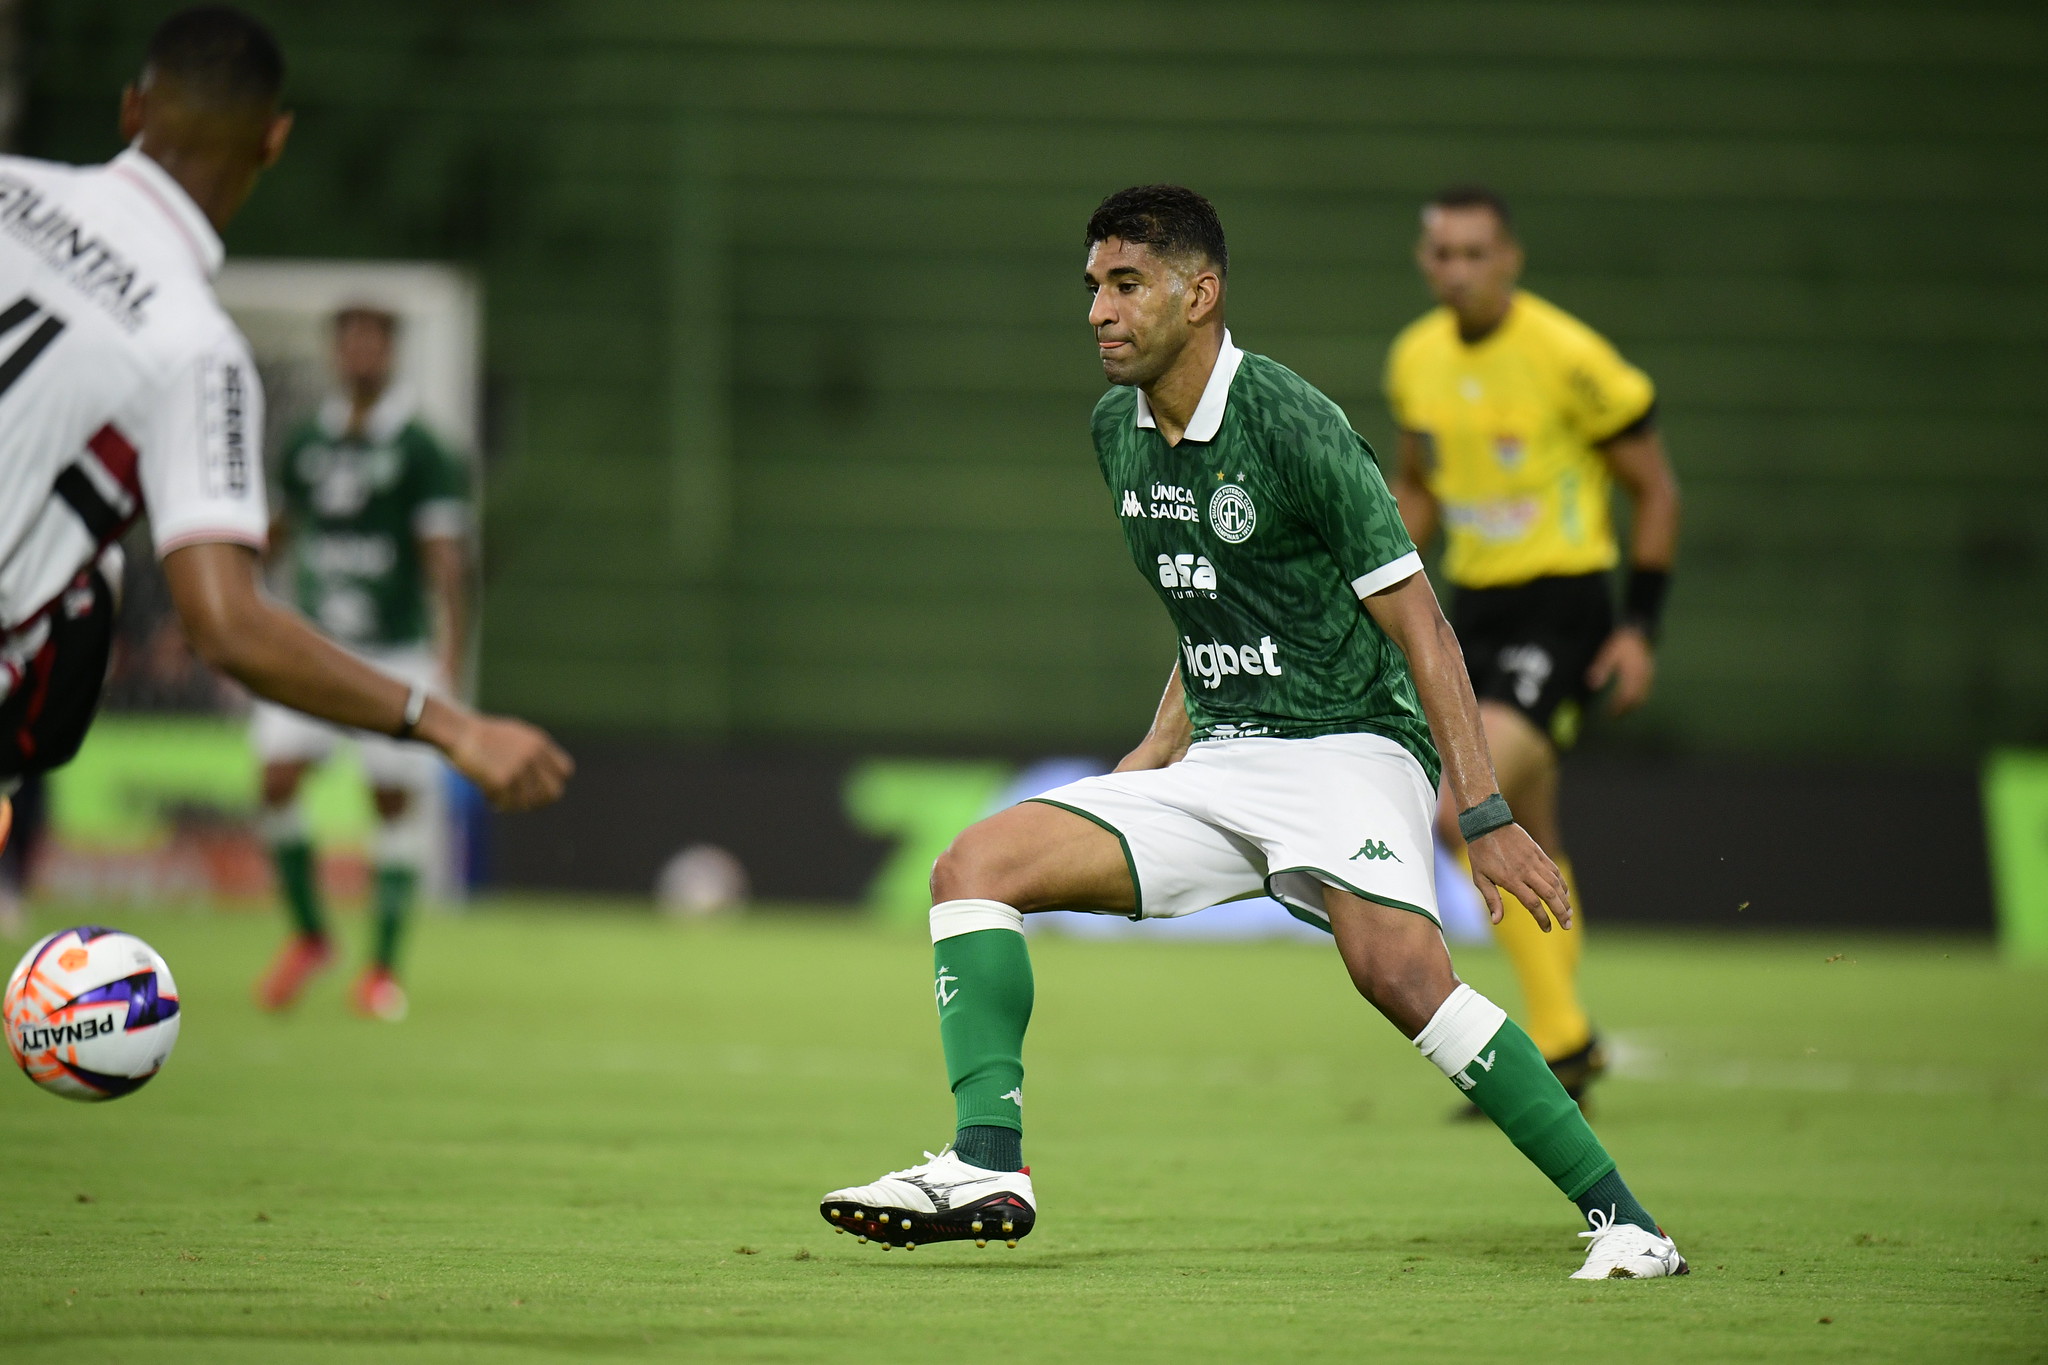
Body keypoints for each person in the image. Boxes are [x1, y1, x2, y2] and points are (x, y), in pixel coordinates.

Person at [816, 185, 1687, 1279]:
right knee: (972, 867)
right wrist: (1149, 759)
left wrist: (1483, 812)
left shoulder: (1292, 423)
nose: (1098, 311)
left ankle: (1629, 1226)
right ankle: (986, 1163)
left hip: (1350, 746)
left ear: (1200, 294)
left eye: (1126, 285)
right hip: (1224, 756)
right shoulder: (1115, 432)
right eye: (1092, 287)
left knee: (1398, 975)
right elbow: (1210, 611)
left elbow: (1424, 628)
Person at [0, 10, 569, 874]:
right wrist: (454, 725)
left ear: (131, 110)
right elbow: (228, 624)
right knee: (88, 594)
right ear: (273, 141)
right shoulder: (195, 348)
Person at [1384, 186, 1681, 1107]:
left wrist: (1639, 628)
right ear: (1424, 261)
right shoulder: (1416, 358)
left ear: (1510, 259)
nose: (1459, 271)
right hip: (1472, 609)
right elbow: (1420, 488)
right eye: (1444, 254)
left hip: (1563, 608)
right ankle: (1567, 1043)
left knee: (1463, 809)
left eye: (1477, 253)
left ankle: (1562, 1036)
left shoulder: (1568, 356)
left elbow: (1656, 490)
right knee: (1532, 830)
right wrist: (1375, 578)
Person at [249, 306, 472, 1021]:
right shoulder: (307, 440)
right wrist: (230, 605)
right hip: (313, 648)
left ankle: (381, 969)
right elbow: (280, 530)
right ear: (335, 352)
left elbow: (445, 556)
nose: (360, 355)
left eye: (373, 343)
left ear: (393, 353)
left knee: (391, 799)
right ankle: (312, 935)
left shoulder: (423, 448)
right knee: (276, 781)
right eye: (349, 343)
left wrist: (450, 652)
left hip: (394, 652)